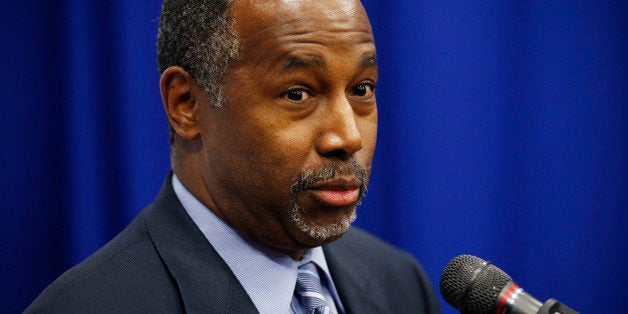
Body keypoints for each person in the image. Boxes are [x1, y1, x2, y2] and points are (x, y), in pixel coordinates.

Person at [26, 0, 441, 313]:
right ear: (186, 103)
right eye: (297, 93)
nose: (347, 136)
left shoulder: (400, 283)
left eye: (362, 89)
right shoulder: (90, 306)